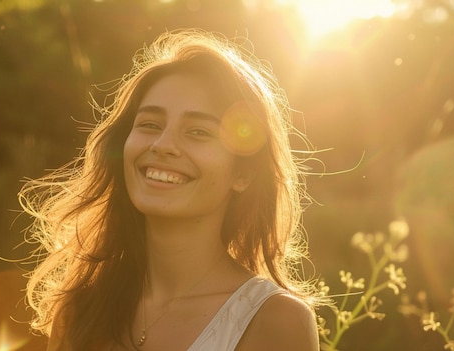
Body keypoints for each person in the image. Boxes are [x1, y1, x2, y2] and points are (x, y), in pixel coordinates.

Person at [19, 29, 321, 351]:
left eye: (198, 131)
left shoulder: (275, 322)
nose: (163, 145)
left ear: (243, 173)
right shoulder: (80, 310)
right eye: (150, 124)